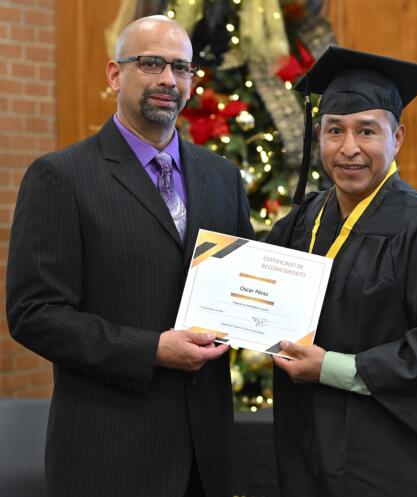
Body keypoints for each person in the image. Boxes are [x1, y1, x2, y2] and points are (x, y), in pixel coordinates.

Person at [6, 15, 254, 497]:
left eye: (181, 68)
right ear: (114, 74)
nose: (168, 79)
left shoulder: (222, 177)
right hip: (109, 457)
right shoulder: (62, 177)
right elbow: (34, 314)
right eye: (150, 63)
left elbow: (243, 287)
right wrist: (151, 350)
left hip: (207, 460)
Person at [268, 46, 417, 497]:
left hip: (392, 462)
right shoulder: (303, 221)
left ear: (398, 138)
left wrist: (328, 367)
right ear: (320, 136)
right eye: (335, 131)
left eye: (366, 131)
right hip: (308, 454)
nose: (349, 148)